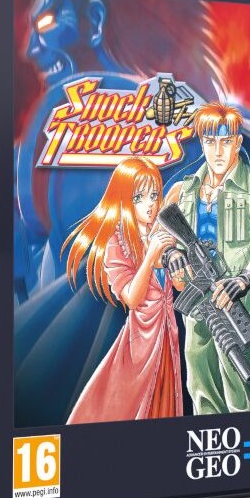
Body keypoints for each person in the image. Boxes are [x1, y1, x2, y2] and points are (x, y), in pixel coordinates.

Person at [163, 102, 250, 414]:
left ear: (238, 142)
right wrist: (171, 253)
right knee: (201, 390)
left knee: (243, 393)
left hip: (234, 302)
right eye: (210, 141)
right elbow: (157, 236)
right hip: (196, 308)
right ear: (201, 142)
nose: (218, 151)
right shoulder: (182, 191)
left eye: (226, 141)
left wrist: (245, 278)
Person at [62, 157, 184, 423]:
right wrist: (151, 256)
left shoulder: (163, 232)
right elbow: (131, 298)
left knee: (164, 405)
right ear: (124, 199)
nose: (150, 204)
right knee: (128, 406)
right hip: (140, 340)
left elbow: (180, 286)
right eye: (139, 197)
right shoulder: (117, 241)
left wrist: (178, 260)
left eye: (154, 195)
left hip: (167, 333)